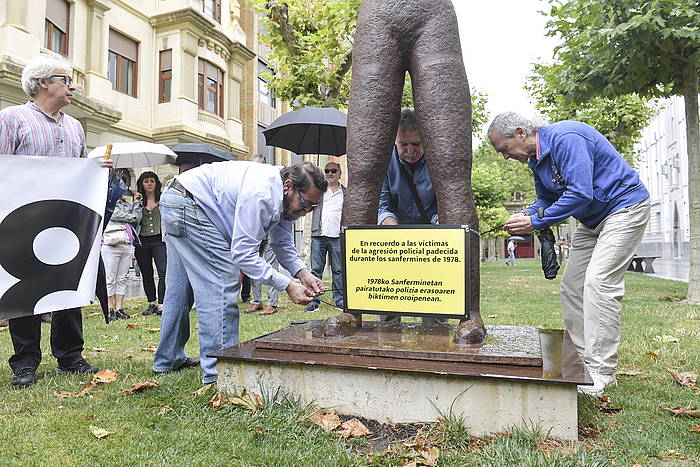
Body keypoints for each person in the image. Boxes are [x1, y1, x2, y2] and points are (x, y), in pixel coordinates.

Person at [488, 111, 650, 396]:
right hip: (591, 219)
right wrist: (527, 212)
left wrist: (536, 221)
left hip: (624, 208)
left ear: (521, 132)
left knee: (599, 284)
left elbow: (580, 193)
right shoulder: (536, 160)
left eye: (504, 149)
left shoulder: (567, 138)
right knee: (572, 286)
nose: (505, 157)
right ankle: (584, 361)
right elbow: (546, 199)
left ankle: (601, 372)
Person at [153, 161, 326, 384]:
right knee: (222, 282)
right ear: (289, 186)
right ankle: (221, 374)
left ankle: (168, 359)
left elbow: (281, 241)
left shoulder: (282, 197)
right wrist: (288, 286)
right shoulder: (261, 194)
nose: (305, 212)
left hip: (178, 198)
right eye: (305, 204)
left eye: (312, 208)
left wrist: (303, 274)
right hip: (192, 205)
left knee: (180, 288)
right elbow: (243, 255)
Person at [0, 54, 112, 388]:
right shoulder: (11, 119)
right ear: (43, 83)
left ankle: (70, 356)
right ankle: (25, 362)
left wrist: (94, 171)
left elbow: (78, 171)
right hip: (23, 221)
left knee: (68, 285)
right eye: (67, 79)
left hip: (66, 222)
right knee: (26, 292)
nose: (74, 86)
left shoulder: (75, 126)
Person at [378, 108, 443, 325]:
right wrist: (390, 225)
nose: (410, 150)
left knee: (435, 305)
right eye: (403, 145)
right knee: (389, 305)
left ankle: (436, 341)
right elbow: (382, 203)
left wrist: (437, 224)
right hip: (395, 241)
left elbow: (444, 203)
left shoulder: (439, 158)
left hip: (431, 242)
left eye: (416, 144)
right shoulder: (385, 160)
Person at [305, 161, 346, 312]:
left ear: (340, 173)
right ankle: (314, 301)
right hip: (319, 235)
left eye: (333, 170)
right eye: (327, 170)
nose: (330, 173)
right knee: (316, 270)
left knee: (338, 270)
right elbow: (308, 207)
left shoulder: (346, 193)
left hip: (337, 236)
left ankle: (340, 300)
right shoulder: (319, 192)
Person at [243, 155, 280, 316]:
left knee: (271, 265)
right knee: (252, 265)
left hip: (271, 230)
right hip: (255, 231)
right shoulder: (248, 183)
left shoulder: (272, 182)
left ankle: (272, 303)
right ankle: (257, 301)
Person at [101, 180, 142, 322]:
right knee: (110, 278)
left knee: (122, 278)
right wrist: (132, 214)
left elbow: (137, 218)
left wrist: (136, 203)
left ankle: (119, 308)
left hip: (126, 243)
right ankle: (109, 308)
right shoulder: (106, 203)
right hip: (111, 244)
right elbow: (126, 216)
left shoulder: (125, 204)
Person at [134, 171, 167, 316]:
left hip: (160, 241)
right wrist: (136, 203)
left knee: (163, 271)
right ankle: (151, 303)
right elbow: (132, 219)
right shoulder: (138, 202)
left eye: (152, 181)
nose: (149, 183)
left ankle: (162, 304)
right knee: (146, 273)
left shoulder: (164, 200)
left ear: (156, 183)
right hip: (142, 241)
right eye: (146, 181)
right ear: (141, 183)